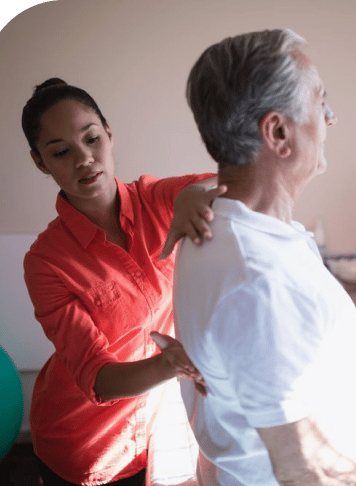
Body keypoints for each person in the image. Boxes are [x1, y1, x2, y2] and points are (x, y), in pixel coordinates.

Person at [167, 29, 356, 485]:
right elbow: (305, 469)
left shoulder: (238, 230)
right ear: (279, 132)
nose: (330, 119)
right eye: (320, 103)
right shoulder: (259, 281)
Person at [21, 78, 225, 486]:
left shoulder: (155, 199)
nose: (84, 159)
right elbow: (99, 379)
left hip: (156, 435)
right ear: (41, 163)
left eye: (92, 139)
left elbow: (232, 185)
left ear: (109, 135)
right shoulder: (45, 261)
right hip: (84, 445)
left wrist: (191, 195)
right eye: (61, 152)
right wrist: (173, 363)